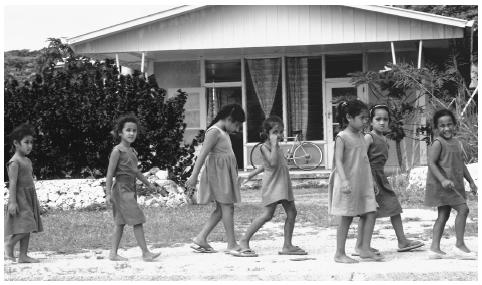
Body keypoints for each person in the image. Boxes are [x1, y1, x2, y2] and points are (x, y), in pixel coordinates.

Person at [353, 105, 424, 256]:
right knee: (368, 212)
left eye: (385, 119)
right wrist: (369, 180)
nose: (382, 122)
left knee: (393, 207)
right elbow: (361, 158)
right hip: (370, 177)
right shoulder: (369, 137)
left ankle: (401, 241)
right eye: (378, 119)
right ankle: (361, 246)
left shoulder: (384, 139)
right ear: (371, 122)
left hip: (380, 177)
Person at [235, 116, 307, 257]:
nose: (279, 135)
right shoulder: (264, 147)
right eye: (275, 132)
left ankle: (287, 246)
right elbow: (272, 163)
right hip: (273, 184)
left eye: (281, 132)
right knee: (267, 215)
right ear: (266, 133)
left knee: (292, 213)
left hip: (283, 183)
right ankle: (243, 241)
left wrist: (252, 174)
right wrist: (274, 145)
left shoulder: (276, 146)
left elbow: (265, 165)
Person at [328, 100, 384, 263]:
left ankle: (364, 248)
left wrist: (372, 181)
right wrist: (344, 180)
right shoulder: (342, 137)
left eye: (367, 118)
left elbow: (364, 159)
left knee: (371, 212)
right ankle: (339, 253)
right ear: (349, 117)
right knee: (347, 217)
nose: (366, 121)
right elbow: (337, 161)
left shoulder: (362, 136)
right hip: (348, 183)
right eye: (362, 117)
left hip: (363, 182)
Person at [186, 104, 245, 254]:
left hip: (223, 174)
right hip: (218, 175)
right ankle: (231, 244)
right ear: (229, 119)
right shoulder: (214, 132)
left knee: (221, 209)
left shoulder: (222, 132)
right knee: (227, 207)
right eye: (237, 125)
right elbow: (202, 155)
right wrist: (193, 176)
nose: (237, 129)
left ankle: (201, 239)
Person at [105, 114, 160, 262]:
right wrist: (107, 194)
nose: (131, 133)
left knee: (120, 222)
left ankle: (113, 254)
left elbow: (135, 171)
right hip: (121, 191)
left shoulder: (132, 151)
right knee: (137, 220)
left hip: (130, 189)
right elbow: (109, 174)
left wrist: (148, 184)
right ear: (120, 133)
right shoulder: (117, 151)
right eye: (128, 130)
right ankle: (146, 253)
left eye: (134, 130)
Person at [425, 109, 477, 259]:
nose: (446, 128)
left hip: (454, 184)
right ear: (436, 128)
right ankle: (459, 246)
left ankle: (434, 248)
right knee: (463, 209)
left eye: (449, 124)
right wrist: (442, 180)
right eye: (442, 126)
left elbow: (462, 164)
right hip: (444, 186)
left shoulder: (456, 143)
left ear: (455, 125)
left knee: (443, 215)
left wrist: (471, 181)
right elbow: (431, 163)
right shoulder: (438, 143)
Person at [4, 124, 43, 263]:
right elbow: (12, 183)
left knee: (27, 226)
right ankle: (9, 244)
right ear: (16, 143)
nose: (30, 146)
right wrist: (12, 202)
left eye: (31, 142)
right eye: (26, 142)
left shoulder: (27, 160)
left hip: (29, 197)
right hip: (19, 199)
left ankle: (23, 255)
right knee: (27, 225)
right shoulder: (14, 162)